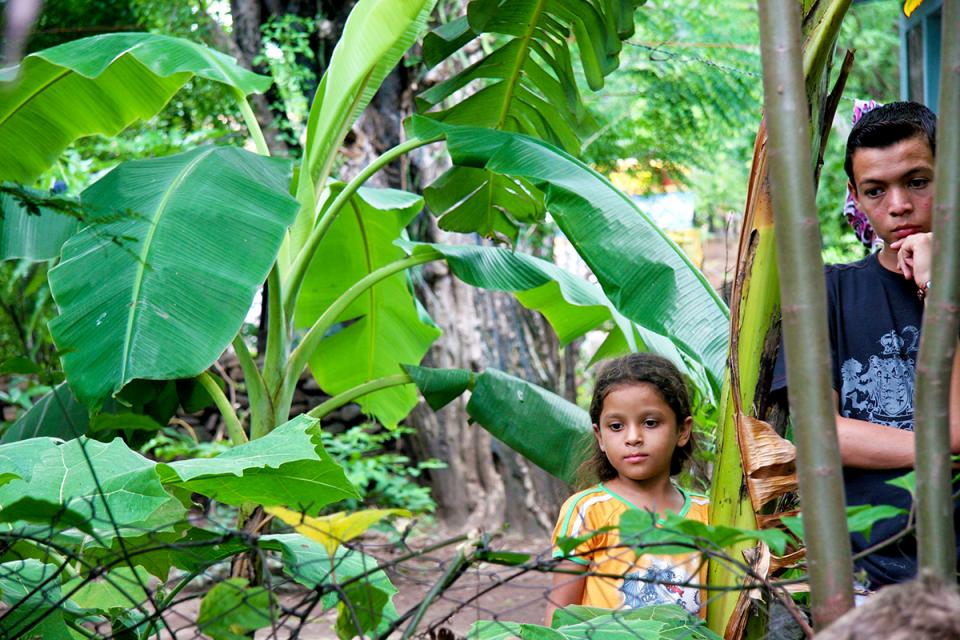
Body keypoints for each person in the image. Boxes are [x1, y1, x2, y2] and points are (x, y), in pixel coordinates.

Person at [775, 100, 960, 590]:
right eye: (876, 191)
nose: (898, 205)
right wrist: (945, 444)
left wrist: (942, 287)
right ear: (855, 197)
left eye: (917, 182)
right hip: (864, 578)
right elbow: (820, 434)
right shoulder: (826, 293)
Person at [545, 353, 708, 625]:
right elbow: (560, 615)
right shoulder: (588, 510)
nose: (633, 438)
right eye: (617, 426)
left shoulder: (708, 514)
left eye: (650, 422)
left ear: (682, 430)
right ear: (600, 436)